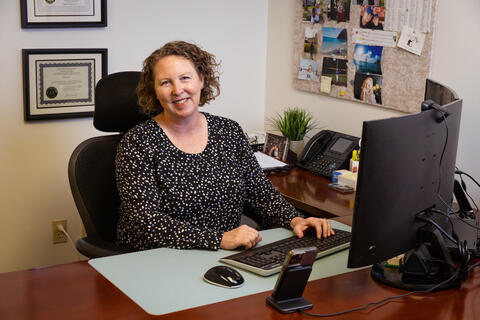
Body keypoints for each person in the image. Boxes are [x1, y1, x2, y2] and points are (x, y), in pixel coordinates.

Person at [115, 41, 334, 252]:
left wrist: (295, 219)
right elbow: (146, 221)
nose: (177, 90)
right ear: (154, 91)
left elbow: (259, 193)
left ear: (201, 79)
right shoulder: (138, 142)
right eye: (165, 82)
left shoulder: (228, 131)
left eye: (185, 78)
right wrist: (219, 239)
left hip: (224, 255)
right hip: (156, 258)